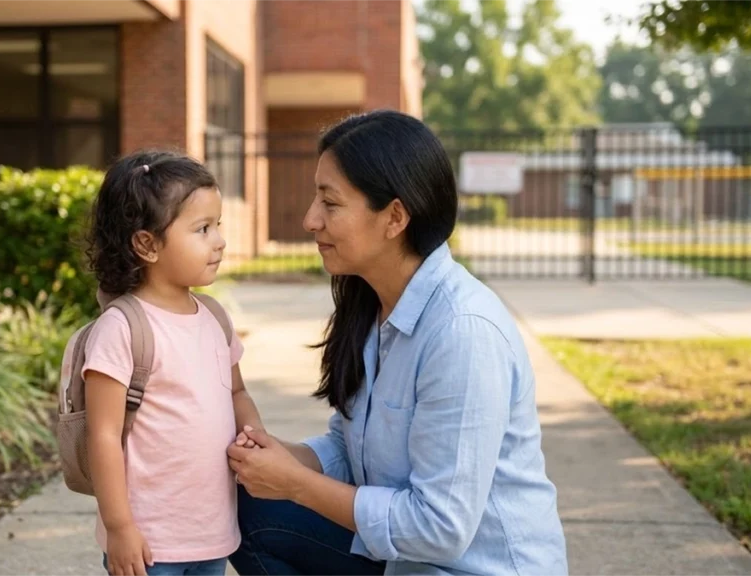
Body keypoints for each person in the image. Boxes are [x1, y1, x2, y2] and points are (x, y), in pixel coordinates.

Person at [227, 110, 568, 576]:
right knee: (244, 505)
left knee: (270, 508)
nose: (310, 220)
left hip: (473, 568)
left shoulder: (461, 331)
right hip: (405, 564)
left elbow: (440, 529)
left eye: (330, 203)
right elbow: (352, 450)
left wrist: (297, 485)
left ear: (394, 217)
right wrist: (276, 459)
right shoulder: (375, 304)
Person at [82, 150, 265, 576]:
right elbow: (103, 435)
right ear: (147, 244)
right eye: (202, 229)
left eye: (218, 225)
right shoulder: (123, 327)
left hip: (210, 531)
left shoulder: (215, 318)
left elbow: (236, 392)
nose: (219, 240)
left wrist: (253, 434)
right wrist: (120, 527)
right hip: (148, 543)